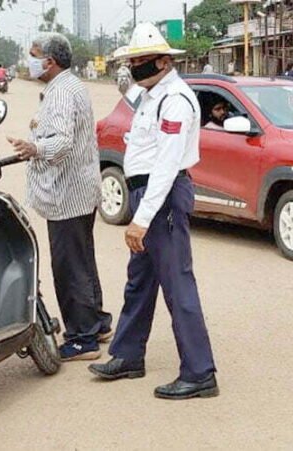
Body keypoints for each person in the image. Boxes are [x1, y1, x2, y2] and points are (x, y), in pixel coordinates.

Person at [88, 23, 218, 400]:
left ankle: (199, 372)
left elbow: (166, 163)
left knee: (178, 286)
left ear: (164, 61)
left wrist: (142, 219)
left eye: (142, 61)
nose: (134, 68)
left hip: (161, 198)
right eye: (132, 61)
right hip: (146, 194)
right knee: (139, 282)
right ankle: (128, 355)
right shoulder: (150, 94)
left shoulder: (174, 98)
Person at [6, 33, 112, 361]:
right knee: (82, 259)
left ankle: (82, 339)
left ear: (50, 62)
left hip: (67, 193)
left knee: (69, 266)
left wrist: (35, 147)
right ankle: (97, 322)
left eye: (34, 55)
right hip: (78, 189)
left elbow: (63, 141)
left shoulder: (63, 92)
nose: (30, 60)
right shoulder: (68, 86)